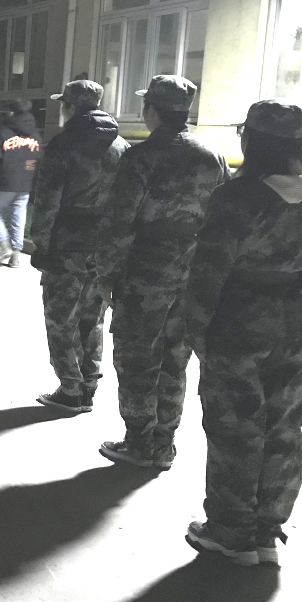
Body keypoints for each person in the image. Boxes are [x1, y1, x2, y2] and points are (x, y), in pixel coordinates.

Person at [184, 100, 302, 567]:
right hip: (295, 322)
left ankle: (231, 533)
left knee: (235, 427)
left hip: (238, 322)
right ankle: (267, 531)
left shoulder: (236, 197)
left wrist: (195, 328)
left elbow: (208, 271)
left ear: (254, 139)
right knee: (283, 427)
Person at [93, 75, 230, 470]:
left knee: (137, 357)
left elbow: (119, 222)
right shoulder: (212, 157)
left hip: (145, 273)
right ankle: (164, 443)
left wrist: (105, 276)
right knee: (175, 359)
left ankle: (139, 442)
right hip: (192, 272)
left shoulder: (140, 158)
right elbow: (223, 220)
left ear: (151, 109)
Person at [29, 79, 128, 414]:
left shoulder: (63, 145)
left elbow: (47, 201)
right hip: (104, 245)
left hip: (67, 244)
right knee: (93, 316)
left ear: (70, 106)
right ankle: (88, 386)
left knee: (60, 317)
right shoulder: (121, 146)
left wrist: (41, 244)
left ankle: (70, 388)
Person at [0, 100, 41, 267]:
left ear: (11, 113)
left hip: (4, 181)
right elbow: (39, 158)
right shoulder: (35, 135)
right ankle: (16, 254)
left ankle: (4, 246)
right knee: (19, 215)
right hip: (26, 183)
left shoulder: (1, 133)